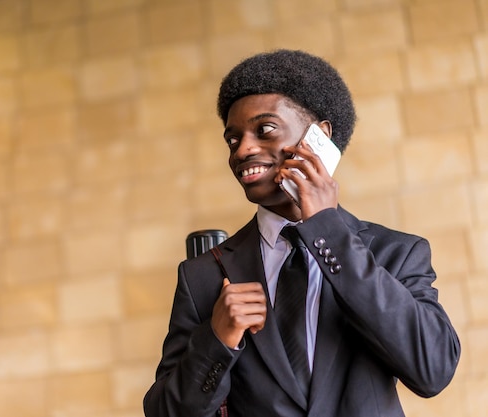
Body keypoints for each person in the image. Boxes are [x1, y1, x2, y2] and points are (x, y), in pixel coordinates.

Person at [143, 49, 461, 417]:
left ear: (318, 138)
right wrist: (217, 340)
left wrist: (328, 230)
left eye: (264, 130)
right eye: (232, 139)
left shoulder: (396, 253)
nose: (243, 149)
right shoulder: (203, 276)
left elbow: (433, 369)